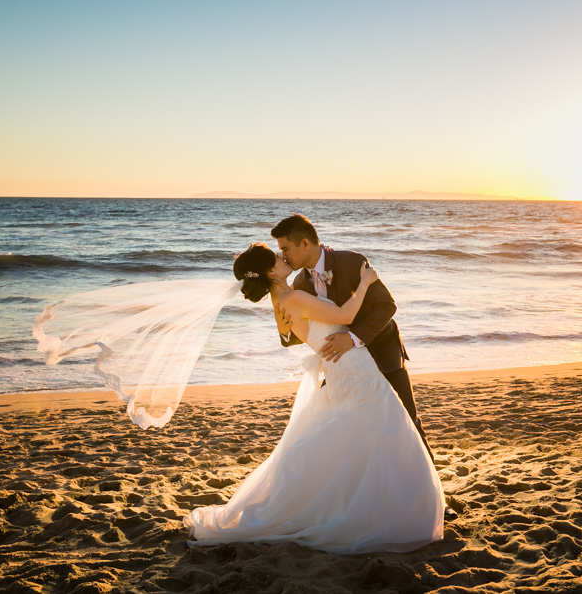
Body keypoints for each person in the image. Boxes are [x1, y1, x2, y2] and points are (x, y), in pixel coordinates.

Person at [183, 243, 445, 553]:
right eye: (278, 257)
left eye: (283, 251)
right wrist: (365, 282)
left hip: (338, 368)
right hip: (351, 366)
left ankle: (361, 502)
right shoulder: (293, 296)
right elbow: (346, 315)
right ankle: (386, 507)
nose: (284, 258)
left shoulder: (280, 300)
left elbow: (293, 334)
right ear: (269, 271)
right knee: (385, 426)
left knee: (364, 431)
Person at [271, 215, 434, 462]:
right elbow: (307, 332)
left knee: (408, 421)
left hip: (381, 353)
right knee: (328, 426)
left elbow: (386, 306)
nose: (282, 255)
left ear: (305, 244)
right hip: (344, 367)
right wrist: (285, 332)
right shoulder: (299, 283)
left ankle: (433, 495)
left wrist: (353, 338)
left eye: (285, 248)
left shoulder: (352, 262)